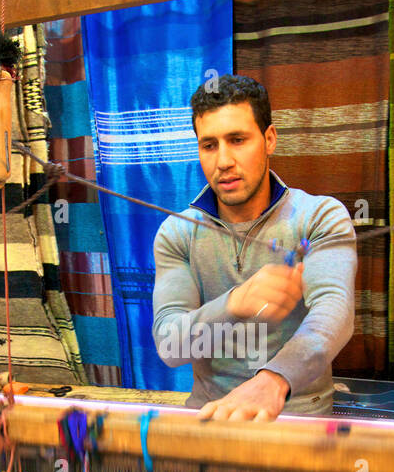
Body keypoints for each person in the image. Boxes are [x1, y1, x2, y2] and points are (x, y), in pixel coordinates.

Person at [152, 74, 357, 421]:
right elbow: (171, 347)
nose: (223, 161)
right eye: (209, 145)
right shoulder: (177, 233)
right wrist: (235, 303)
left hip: (298, 420)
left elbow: (335, 314)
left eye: (237, 140)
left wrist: (274, 380)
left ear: (269, 139)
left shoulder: (320, 216)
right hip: (212, 419)